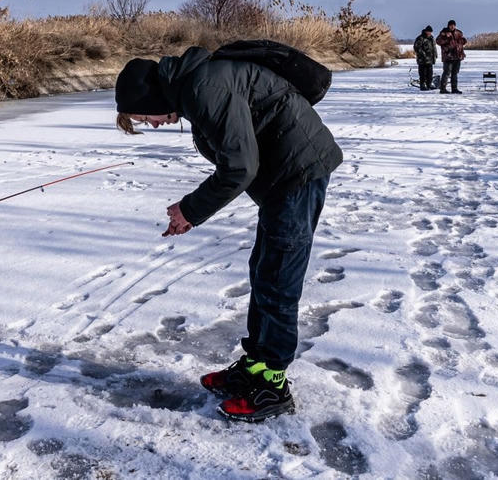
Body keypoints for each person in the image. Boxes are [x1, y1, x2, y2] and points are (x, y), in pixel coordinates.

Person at [114, 46, 343, 423]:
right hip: (282, 176)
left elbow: (239, 167)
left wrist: (190, 210)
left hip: (298, 170)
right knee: (264, 270)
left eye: (144, 116)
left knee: (279, 277)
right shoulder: (195, 88)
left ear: (152, 97)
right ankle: (255, 366)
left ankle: (273, 385)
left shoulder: (204, 88)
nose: (152, 124)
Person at [435, 19, 467, 94]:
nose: (452, 27)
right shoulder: (443, 33)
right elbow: (438, 41)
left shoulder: (458, 33)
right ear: (448, 26)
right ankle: (443, 89)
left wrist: (463, 41)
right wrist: (446, 37)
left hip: (457, 56)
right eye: (451, 25)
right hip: (448, 56)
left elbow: (462, 41)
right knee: (446, 73)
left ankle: (454, 88)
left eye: (453, 25)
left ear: (455, 26)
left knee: (455, 73)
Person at [413, 25, 437, 91]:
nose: (429, 33)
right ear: (425, 31)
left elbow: (434, 48)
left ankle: (429, 84)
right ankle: (422, 85)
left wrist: (435, 55)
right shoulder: (420, 38)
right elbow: (417, 47)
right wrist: (423, 55)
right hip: (422, 60)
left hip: (430, 60)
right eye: (428, 31)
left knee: (430, 73)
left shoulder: (431, 38)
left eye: (430, 32)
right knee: (422, 73)